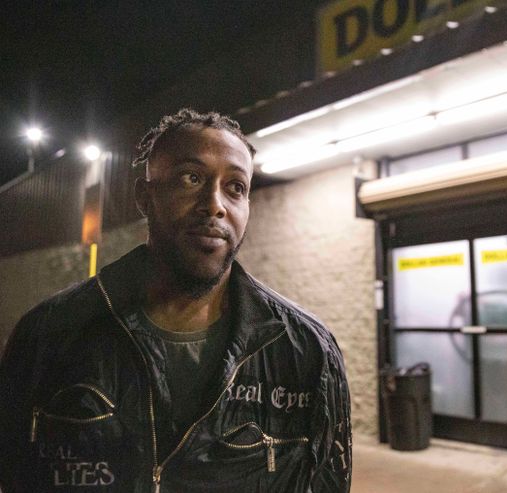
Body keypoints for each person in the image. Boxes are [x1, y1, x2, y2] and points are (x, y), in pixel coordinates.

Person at [0, 109, 352, 492]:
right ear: (145, 197)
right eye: (192, 178)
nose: (214, 204)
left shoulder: (306, 351)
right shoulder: (50, 333)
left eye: (236, 187)